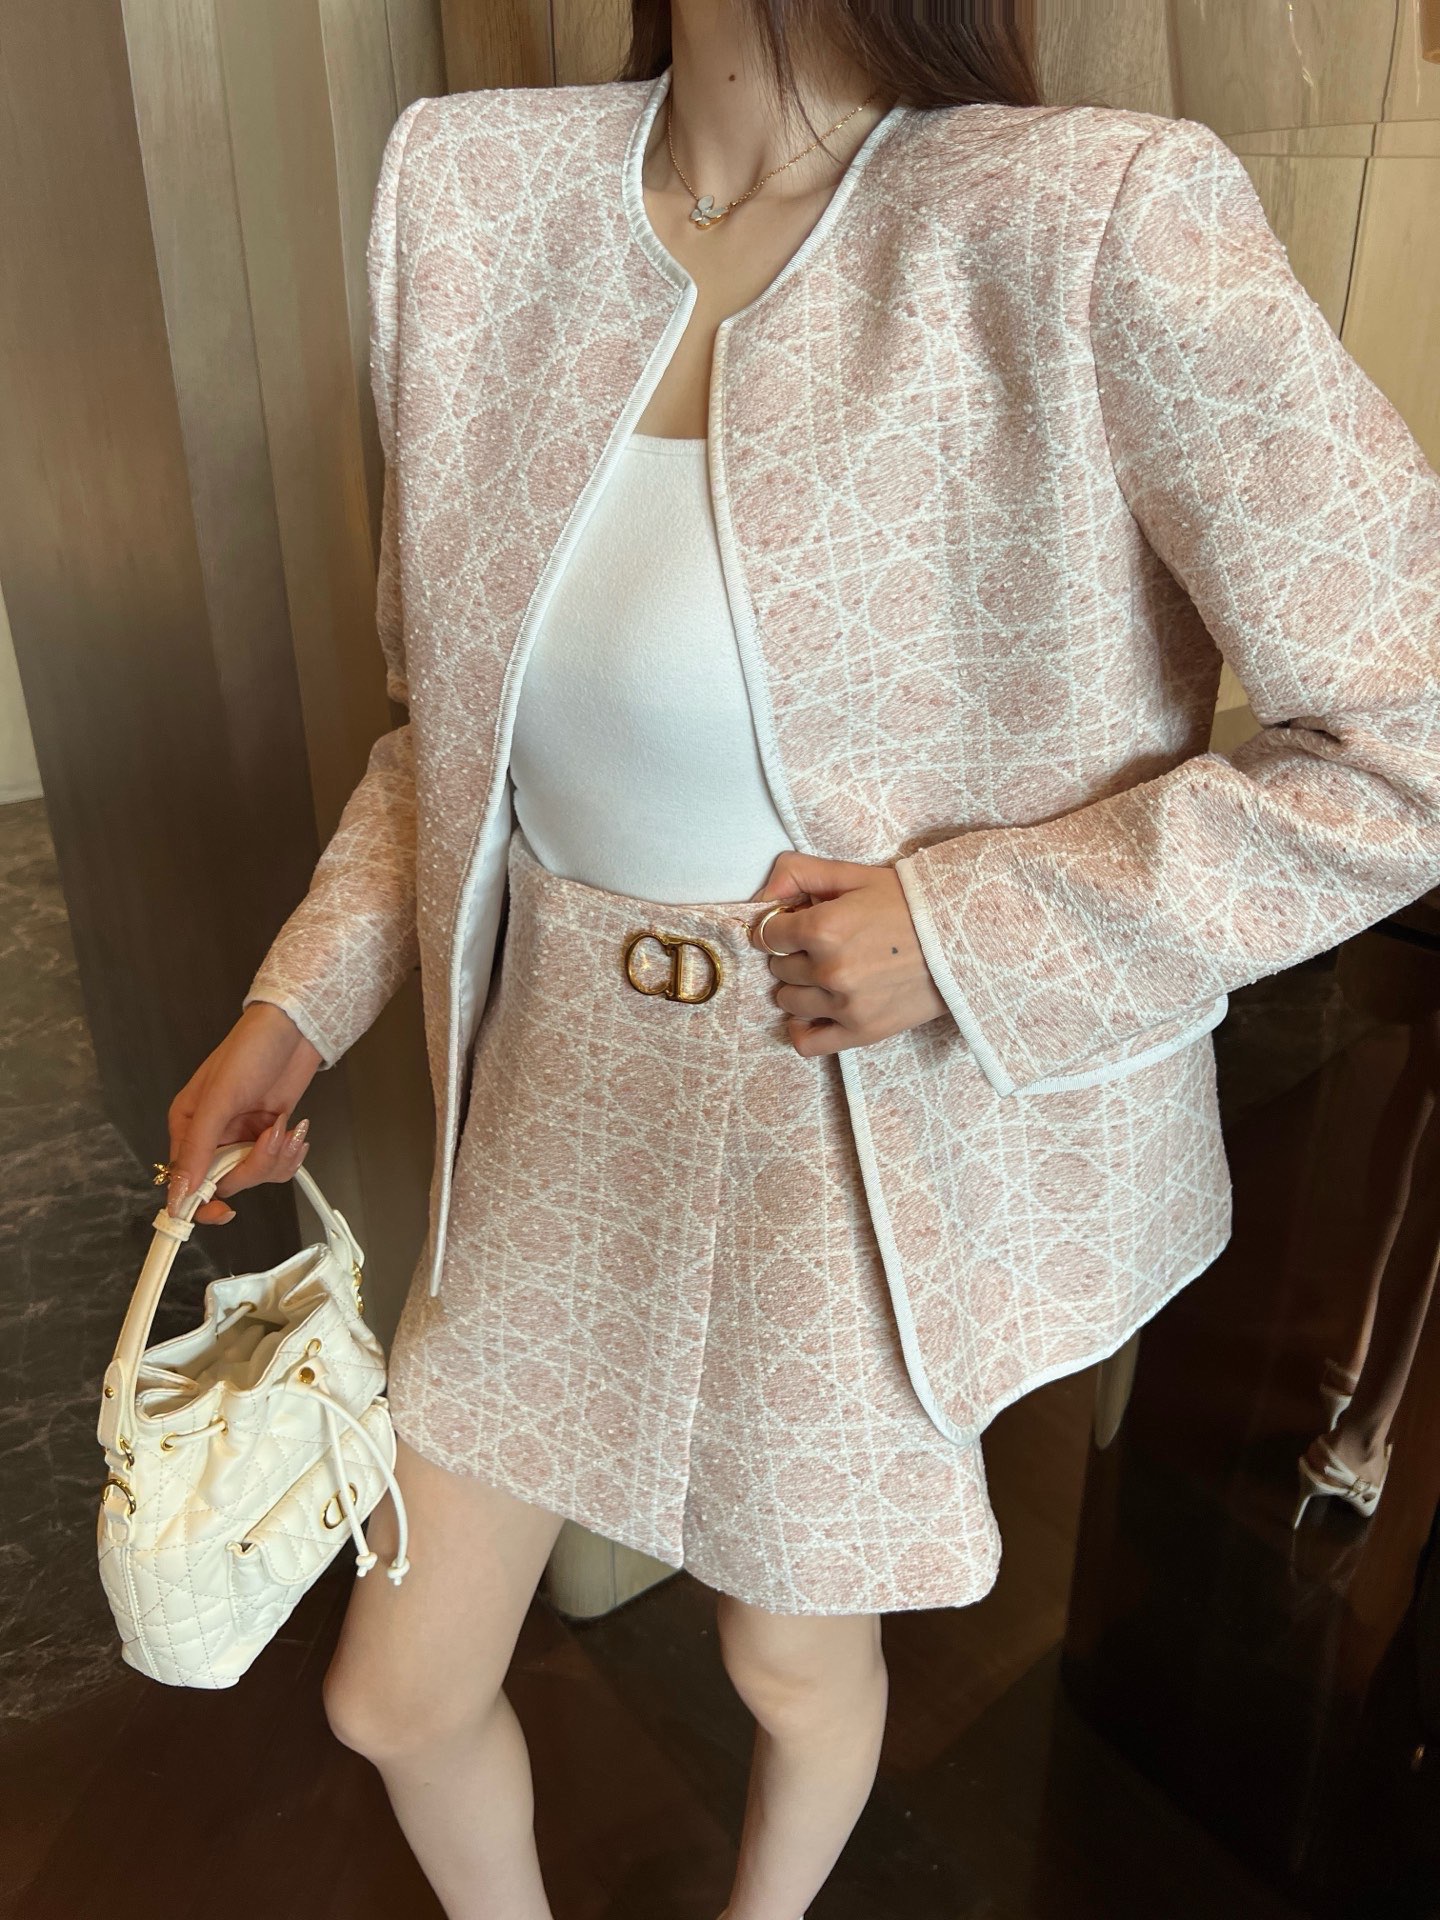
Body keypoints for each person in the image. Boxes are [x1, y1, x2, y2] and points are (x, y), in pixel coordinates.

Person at [162, 4, 1440, 1916]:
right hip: (558, 1100)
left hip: (847, 1141)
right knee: (395, 1693)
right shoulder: (473, 194)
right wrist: (299, 1000)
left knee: (789, 1661)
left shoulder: (1088, 219)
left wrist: (969, 927)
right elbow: (452, 737)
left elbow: (1409, 732)